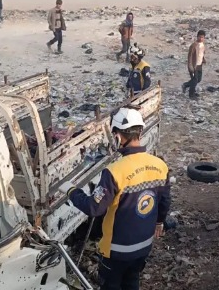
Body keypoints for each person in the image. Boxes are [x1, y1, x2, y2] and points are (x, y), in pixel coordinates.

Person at [58, 107, 171, 290]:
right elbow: (164, 201)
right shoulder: (160, 165)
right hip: (144, 246)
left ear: (117, 136)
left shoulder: (114, 172)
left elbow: (94, 208)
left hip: (116, 252)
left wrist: (71, 191)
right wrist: (160, 222)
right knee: (132, 282)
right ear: (140, 131)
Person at [182, 30, 206, 100]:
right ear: (197, 37)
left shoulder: (203, 45)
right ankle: (191, 94)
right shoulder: (194, 45)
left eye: (202, 37)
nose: (201, 39)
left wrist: (203, 60)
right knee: (194, 80)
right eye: (200, 37)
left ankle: (185, 85)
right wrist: (190, 67)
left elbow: (201, 54)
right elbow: (189, 57)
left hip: (199, 65)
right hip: (193, 66)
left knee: (198, 79)